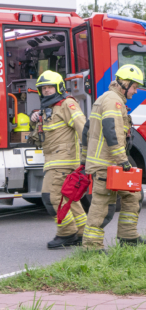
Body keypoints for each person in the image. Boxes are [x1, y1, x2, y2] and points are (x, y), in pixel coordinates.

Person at [82, 64, 146, 252]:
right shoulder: (113, 101)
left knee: (134, 195)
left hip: (110, 163)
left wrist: (84, 158)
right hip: (107, 164)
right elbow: (112, 131)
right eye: (134, 87)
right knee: (103, 206)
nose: (135, 92)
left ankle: (129, 237)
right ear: (124, 83)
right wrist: (122, 160)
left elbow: (87, 129)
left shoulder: (107, 98)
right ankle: (92, 248)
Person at [30, 71, 88, 249]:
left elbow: (83, 128)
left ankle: (66, 233)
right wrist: (35, 122)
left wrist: (87, 157)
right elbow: (40, 138)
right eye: (43, 88)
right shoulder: (49, 109)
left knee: (50, 196)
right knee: (69, 198)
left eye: (49, 87)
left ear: (59, 88)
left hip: (62, 160)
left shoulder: (67, 104)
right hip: (54, 159)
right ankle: (81, 232)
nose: (46, 91)